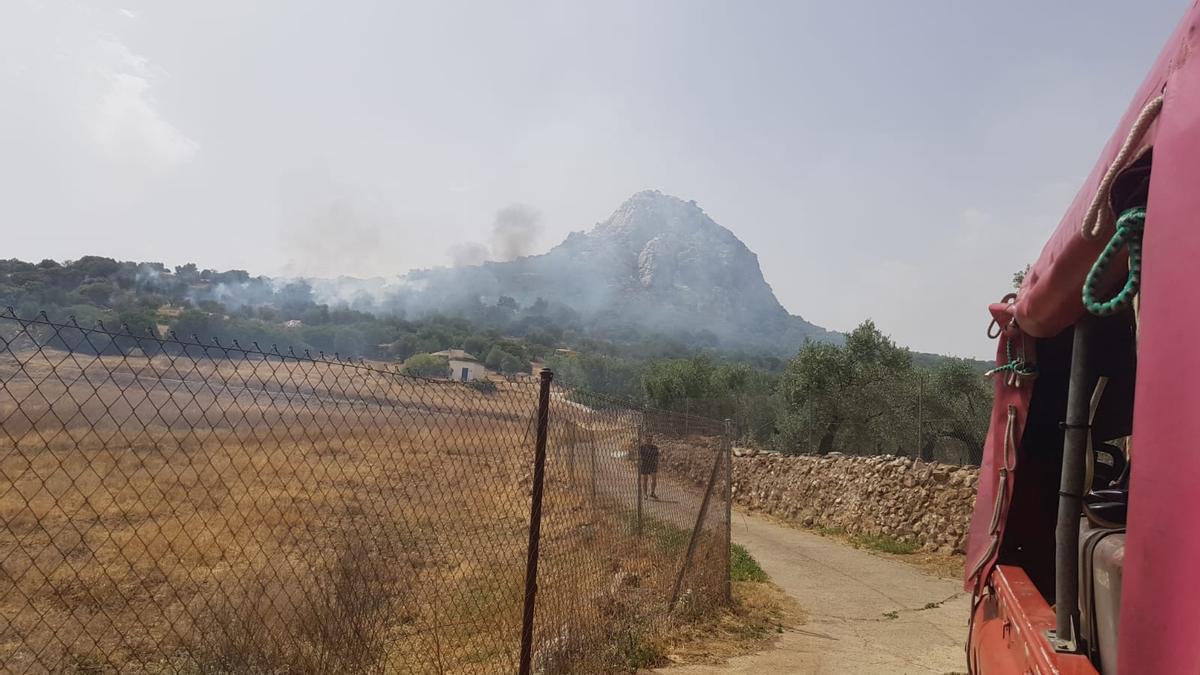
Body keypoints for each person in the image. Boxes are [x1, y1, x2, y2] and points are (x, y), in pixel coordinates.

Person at [638, 432, 660, 500]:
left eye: (650, 438)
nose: (649, 439)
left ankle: (652, 492)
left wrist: (656, 463)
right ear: (645, 439)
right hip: (645, 463)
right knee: (645, 479)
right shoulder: (642, 447)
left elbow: (657, 457)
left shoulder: (655, 447)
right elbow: (639, 456)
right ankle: (645, 494)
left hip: (652, 464)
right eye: (648, 438)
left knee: (654, 479)